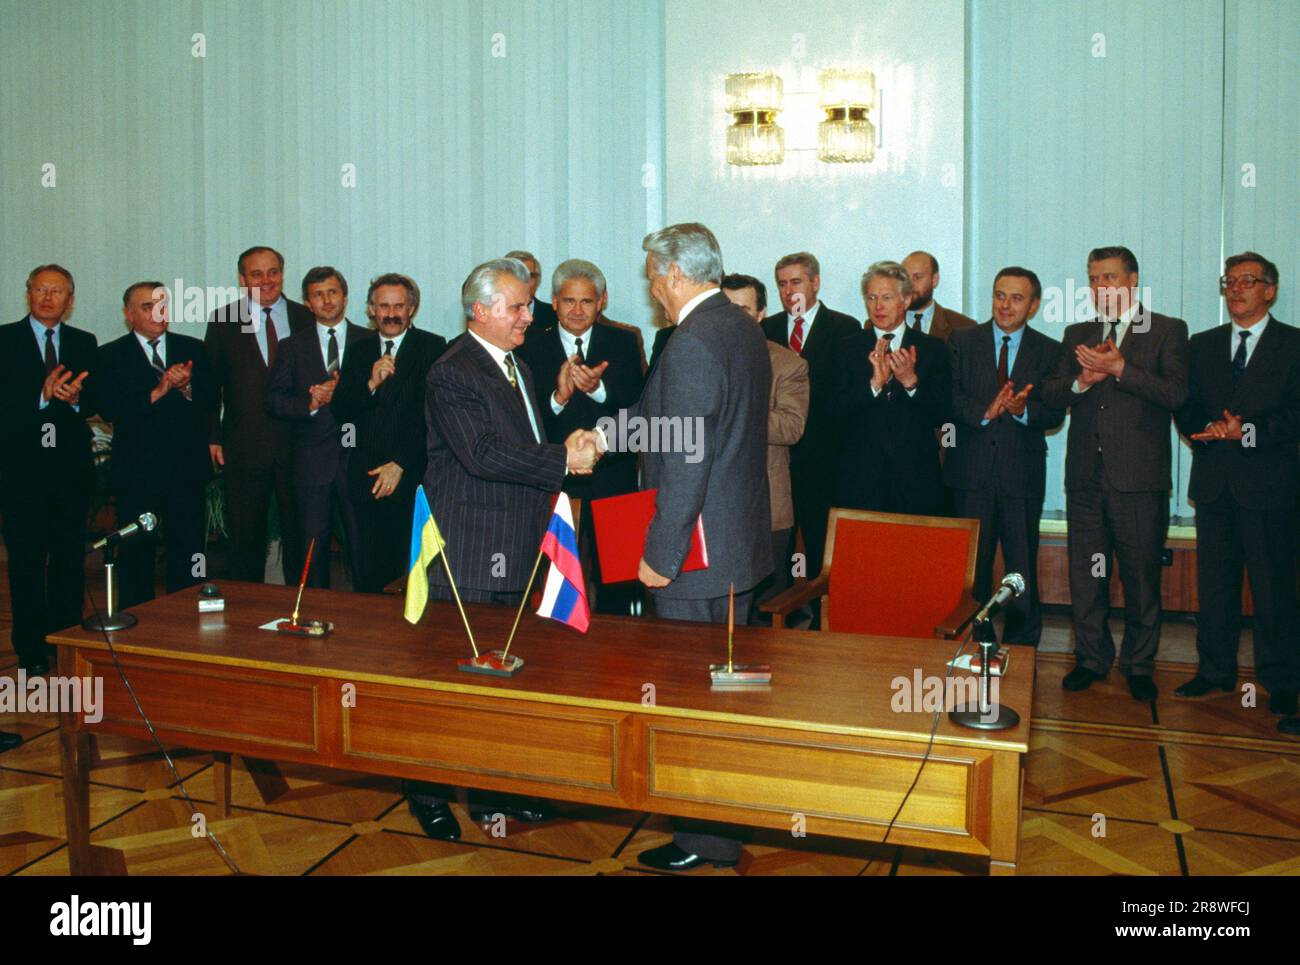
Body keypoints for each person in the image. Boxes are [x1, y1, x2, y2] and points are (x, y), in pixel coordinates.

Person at [410, 257, 600, 841]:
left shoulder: (511, 360)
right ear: (481, 311)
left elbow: (523, 439)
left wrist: (559, 438)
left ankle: (492, 786)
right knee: (447, 682)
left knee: (500, 677)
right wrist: (562, 460)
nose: (528, 315)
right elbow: (482, 454)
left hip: (515, 542)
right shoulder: (453, 369)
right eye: (517, 307)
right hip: (471, 545)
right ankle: (428, 793)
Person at [632, 223, 771, 872]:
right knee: (724, 693)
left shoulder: (691, 341)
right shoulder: (740, 326)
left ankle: (702, 842)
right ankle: (723, 829)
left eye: (654, 275)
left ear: (675, 273)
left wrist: (660, 553)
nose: (653, 287)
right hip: (736, 543)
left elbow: (687, 461)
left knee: (691, 701)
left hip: (694, 553)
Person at [1041, 245, 1188, 701]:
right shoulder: (1077, 333)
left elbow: (1177, 394)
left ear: (1132, 281)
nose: (1100, 287)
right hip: (1086, 477)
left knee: (1142, 577)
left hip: (1139, 480)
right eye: (1093, 279)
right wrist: (1080, 382)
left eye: (1108, 278)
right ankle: (1091, 658)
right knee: (1087, 575)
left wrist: (1121, 368)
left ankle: (1139, 664)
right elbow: (1050, 394)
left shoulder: (1166, 329)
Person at [1174, 253, 1300, 724]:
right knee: (1215, 586)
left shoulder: (1293, 345)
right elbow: (1182, 404)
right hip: (1214, 486)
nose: (1236, 289)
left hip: (1271, 490)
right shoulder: (1202, 344)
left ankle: (1283, 681)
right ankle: (1215, 670)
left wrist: (1245, 431)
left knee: (1274, 591)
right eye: (1230, 281)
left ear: (1270, 290)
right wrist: (1205, 427)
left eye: (1248, 281)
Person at [517, 258, 644, 613]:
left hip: (613, 475)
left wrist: (599, 390)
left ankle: (619, 657)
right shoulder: (529, 346)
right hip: (554, 479)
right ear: (553, 301)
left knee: (620, 583)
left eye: (586, 301)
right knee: (554, 585)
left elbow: (641, 406)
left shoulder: (624, 341)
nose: (577, 310)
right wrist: (560, 398)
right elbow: (523, 420)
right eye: (568, 301)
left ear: (601, 301)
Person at [945, 268, 1064, 644]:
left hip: (1021, 476)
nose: (1005, 305)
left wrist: (1021, 411)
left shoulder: (1049, 349)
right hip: (970, 473)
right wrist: (986, 411)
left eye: (1016, 298)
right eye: (999, 295)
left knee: (1021, 566)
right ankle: (972, 641)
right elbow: (949, 398)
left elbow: (1055, 411)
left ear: (1033, 305)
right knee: (970, 571)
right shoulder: (963, 341)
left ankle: (1022, 646)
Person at [0, 265, 97, 676]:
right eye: (40, 289)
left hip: (69, 474)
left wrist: (75, 400)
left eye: (57, 291)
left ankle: (65, 641)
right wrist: (40, 397)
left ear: (69, 300)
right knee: (25, 565)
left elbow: (96, 401)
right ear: (28, 294)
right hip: (21, 474)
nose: (47, 297)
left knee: (68, 563)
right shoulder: (4, 339)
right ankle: (31, 650)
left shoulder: (84, 342)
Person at [95, 282, 214, 607]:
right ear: (128, 314)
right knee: (136, 553)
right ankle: (137, 625)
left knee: (188, 551)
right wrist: (157, 391)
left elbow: (211, 400)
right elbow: (107, 407)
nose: (157, 312)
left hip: (185, 469)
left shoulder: (193, 348)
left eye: (162, 304)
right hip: (137, 471)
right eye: (147, 306)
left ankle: (185, 624)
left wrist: (188, 388)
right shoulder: (109, 354)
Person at [204, 246, 313, 583]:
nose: (266, 281)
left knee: (300, 532)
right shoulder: (223, 321)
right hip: (244, 445)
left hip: (299, 445)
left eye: (273, 272)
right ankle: (244, 614)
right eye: (256, 274)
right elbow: (211, 386)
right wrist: (213, 437)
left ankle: (301, 608)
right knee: (245, 535)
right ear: (241, 279)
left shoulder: (306, 318)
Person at [331, 273, 446, 594]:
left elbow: (434, 417)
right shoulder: (359, 348)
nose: (391, 313)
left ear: (412, 308)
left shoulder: (432, 346)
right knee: (367, 576)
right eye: (383, 306)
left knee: (410, 576)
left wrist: (401, 463)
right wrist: (370, 383)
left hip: (411, 476)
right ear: (371, 309)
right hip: (364, 478)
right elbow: (340, 409)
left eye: (399, 306)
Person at [266, 267, 371, 588]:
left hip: (360, 460)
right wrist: (310, 404)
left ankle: (374, 620)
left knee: (363, 545)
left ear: (345, 296)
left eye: (332, 292)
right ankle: (313, 615)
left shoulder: (369, 342)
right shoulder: (291, 346)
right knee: (313, 544)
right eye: (318, 294)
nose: (326, 300)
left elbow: (386, 402)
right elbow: (273, 400)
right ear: (307, 303)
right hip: (312, 461)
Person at [760, 253, 860, 586]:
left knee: (821, 554)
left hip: (823, 462)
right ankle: (778, 627)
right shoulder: (766, 329)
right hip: (775, 464)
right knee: (776, 557)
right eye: (782, 284)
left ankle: (820, 628)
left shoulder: (845, 328)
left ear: (815, 283)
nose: (789, 291)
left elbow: (844, 398)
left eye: (796, 282)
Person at [721, 273, 808, 622]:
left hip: (766, 510)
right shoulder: (697, 354)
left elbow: (792, 427)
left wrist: (737, 411)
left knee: (762, 612)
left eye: (743, 309)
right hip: (710, 508)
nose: (733, 317)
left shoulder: (788, 364)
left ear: (761, 314)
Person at [834, 260, 951, 516]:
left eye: (886, 297)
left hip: (915, 481)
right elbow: (833, 410)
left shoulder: (932, 349)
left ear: (906, 300)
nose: (877, 306)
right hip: (860, 481)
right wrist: (873, 385)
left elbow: (945, 413)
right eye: (872, 297)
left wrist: (911, 382)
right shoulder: (846, 347)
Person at [901, 250, 977, 342]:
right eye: (905, 278)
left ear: (934, 280)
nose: (910, 284)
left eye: (917, 277)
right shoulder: (886, 322)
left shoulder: (964, 327)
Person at [507, 250, 558, 335]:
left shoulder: (555, 316)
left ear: (537, 280)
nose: (523, 282)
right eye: (516, 275)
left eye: (529, 276)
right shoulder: (495, 315)